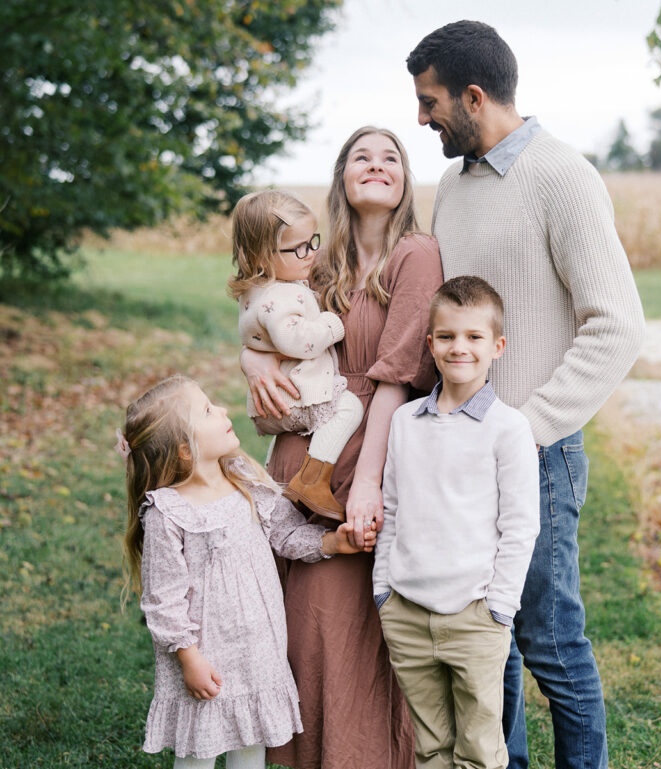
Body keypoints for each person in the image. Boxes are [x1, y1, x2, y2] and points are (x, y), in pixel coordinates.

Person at [407, 22, 646, 769]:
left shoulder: (562, 176)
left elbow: (617, 325)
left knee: (549, 640)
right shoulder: (451, 184)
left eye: (430, 101)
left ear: (474, 97)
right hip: (459, 453)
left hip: (536, 456)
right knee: (488, 638)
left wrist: (524, 427)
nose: (421, 119)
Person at [240, 126, 443, 769]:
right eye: (362, 156)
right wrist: (252, 367)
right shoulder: (314, 261)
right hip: (298, 455)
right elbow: (262, 320)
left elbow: (400, 373)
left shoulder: (417, 254)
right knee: (297, 630)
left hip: (364, 461)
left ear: (406, 180)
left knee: (346, 627)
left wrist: (366, 480)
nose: (377, 165)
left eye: (391, 157)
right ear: (342, 176)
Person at [119, 375, 362, 769]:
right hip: (207, 656)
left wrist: (329, 543)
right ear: (185, 450)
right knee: (199, 750)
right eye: (208, 411)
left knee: (251, 748)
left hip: (257, 650)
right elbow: (163, 599)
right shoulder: (169, 512)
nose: (224, 410)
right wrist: (189, 658)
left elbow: (285, 533)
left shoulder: (245, 483)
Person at [373, 276, 540, 769]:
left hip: (475, 615)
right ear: (430, 343)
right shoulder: (406, 422)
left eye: (473, 337)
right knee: (431, 749)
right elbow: (394, 509)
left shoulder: (508, 429)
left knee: (479, 752)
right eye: (446, 337)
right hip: (406, 610)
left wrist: (500, 608)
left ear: (497, 346)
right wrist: (384, 591)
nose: (459, 347)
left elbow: (520, 526)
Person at [229, 189, 364, 520]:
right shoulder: (282, 295)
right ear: (262, 257)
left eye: (312, 241)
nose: (310, 254)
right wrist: (332, 325)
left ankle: (277, 471)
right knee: (349, 406)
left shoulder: (258, 290)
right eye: (298, 248)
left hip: (277, 398)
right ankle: (313, 479)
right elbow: (295, 340)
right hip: (295, 395)